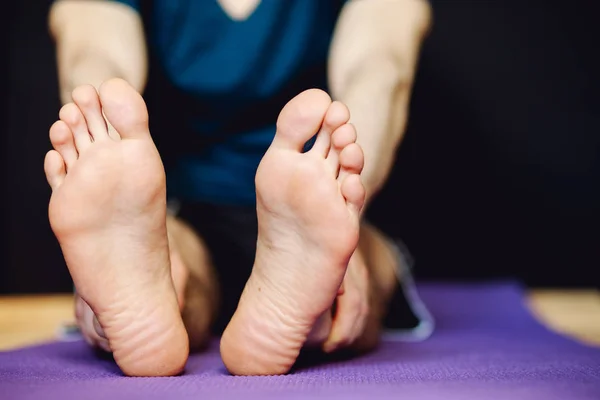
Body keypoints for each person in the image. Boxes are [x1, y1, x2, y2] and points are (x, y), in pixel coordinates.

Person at [44, 0, 432, 377]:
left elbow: (379, 67)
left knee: (349, 263)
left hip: (308, 216)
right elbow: (93, 50)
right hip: (178, 212)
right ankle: (153, 285)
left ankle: (303, 290)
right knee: (167, 258)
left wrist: (345, 193)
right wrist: (106, 158)